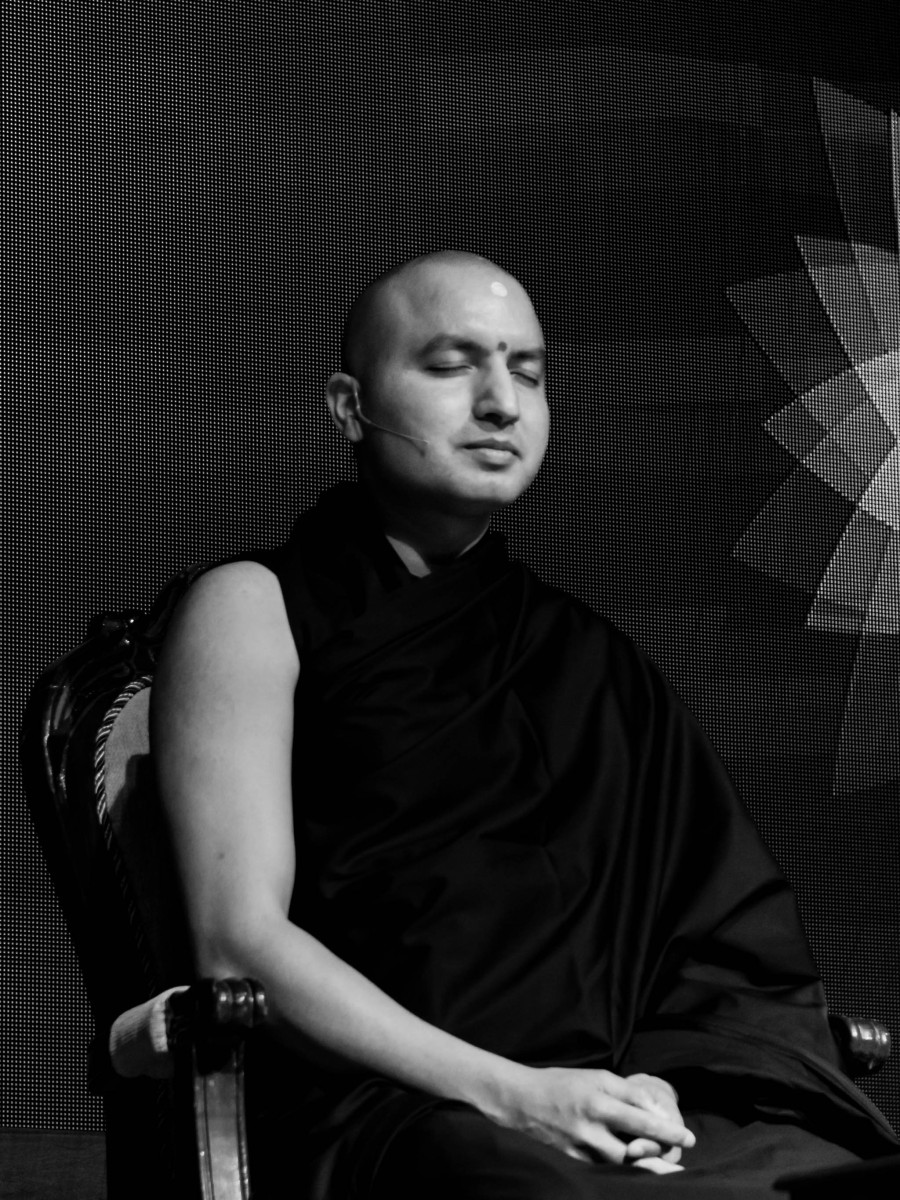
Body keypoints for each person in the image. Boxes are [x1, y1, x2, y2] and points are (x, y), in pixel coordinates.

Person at [151, 251, 898, 1198]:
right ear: (348, 406)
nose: (502, 403)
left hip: (617, 1098)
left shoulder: (586, 657)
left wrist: (652, 1093)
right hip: (400, 1107)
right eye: (451, 365)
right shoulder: (254, 609)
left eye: (530, 373)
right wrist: (518, 1095)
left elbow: (719, 942)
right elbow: (239, 943)